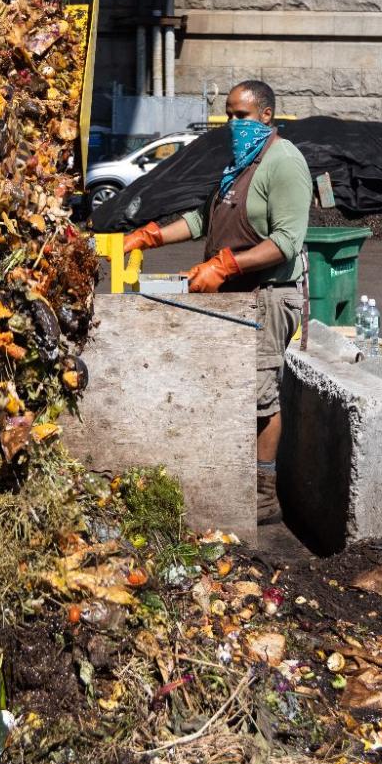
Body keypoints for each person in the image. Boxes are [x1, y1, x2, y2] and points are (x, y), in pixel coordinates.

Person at [121, 80, 313, 479]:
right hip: (234, 293)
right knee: (228, 384)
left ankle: (262, 489)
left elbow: (286, 243)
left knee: (260, 398)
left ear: (266, 116)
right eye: (227, 115)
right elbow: (201, 220)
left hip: (268, 296)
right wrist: (148, 236)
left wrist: (223, 266)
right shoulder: (237, 162)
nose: (232, 123)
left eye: (241, 115)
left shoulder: (285, 162)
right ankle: (228, 474)